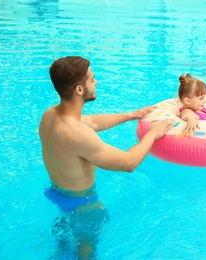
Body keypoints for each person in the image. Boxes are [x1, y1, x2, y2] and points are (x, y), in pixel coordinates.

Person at [39, 56, 175, 258]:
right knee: (85, 252)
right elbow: (129, 163)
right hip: (84, 205)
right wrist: (152, 135)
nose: (96, 82)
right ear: (79, 89)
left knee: (64, 243)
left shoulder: (50, 115)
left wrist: (132, 115)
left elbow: (92, 121)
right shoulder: (77, 134)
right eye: (92, 79)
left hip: (57, 193)